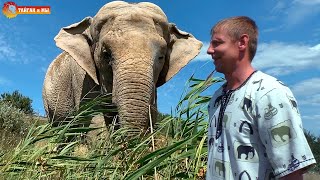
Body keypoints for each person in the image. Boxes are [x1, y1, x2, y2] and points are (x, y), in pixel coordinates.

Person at [206, 16, 316, 180]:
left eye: (217, 43)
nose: (209, 50)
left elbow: (291, 172)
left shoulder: (269, 93)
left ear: (242, 43)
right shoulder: (216, 98)